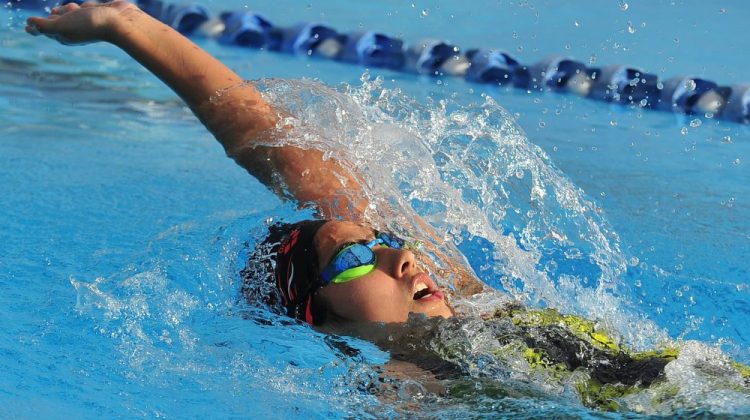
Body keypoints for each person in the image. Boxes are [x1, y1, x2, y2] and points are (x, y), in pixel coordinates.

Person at [25, 2, 749, 412]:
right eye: (352, 258)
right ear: (315, 312)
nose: (402, 254)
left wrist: (130, 26)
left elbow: (268, 138)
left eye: (386, 239)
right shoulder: (405, 396)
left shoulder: (470, 299)